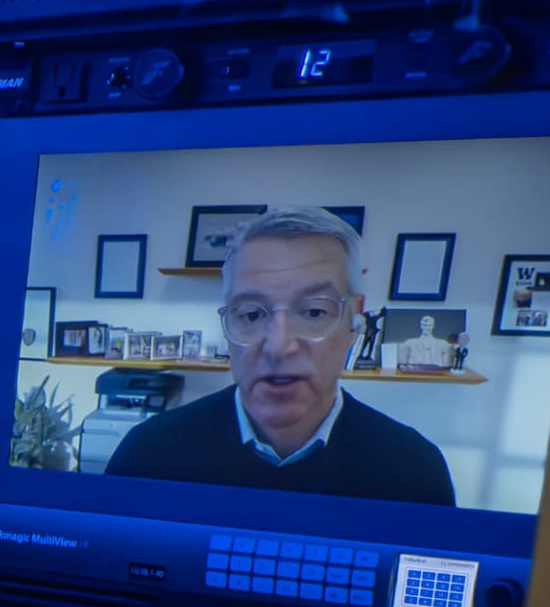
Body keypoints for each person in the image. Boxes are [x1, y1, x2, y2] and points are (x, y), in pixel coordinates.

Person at [103, 207, 455, 504]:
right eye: (251, 315)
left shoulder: (415, 469)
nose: (278, 346)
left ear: (354, 320)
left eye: (314, 312)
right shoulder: (147, 454)